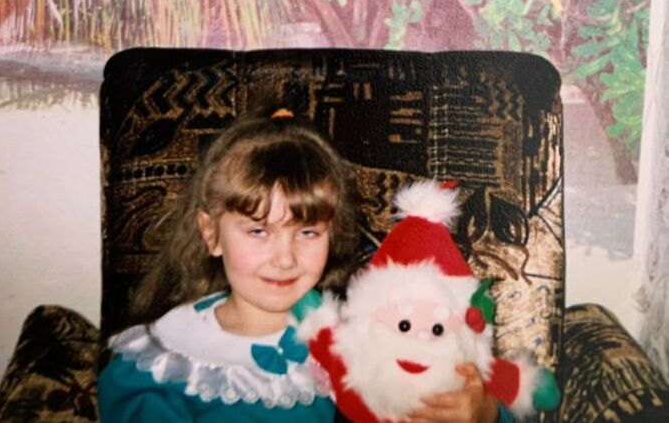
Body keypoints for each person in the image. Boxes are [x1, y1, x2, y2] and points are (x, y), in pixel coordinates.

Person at [98, 110, 502, 422]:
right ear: (211, 234)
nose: (285, 258)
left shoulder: (366, 332)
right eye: (258, 231)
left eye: (307, 232)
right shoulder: (168, 361)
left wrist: (480, 410)